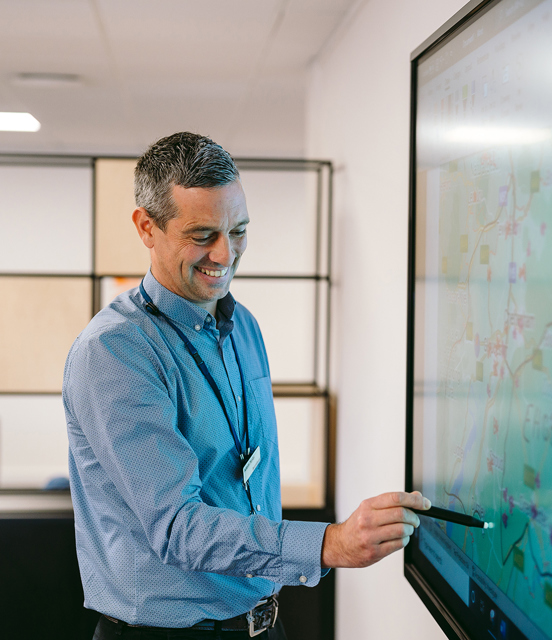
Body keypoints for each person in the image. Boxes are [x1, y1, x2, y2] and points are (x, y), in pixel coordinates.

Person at [63, 132, 430, 639]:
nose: (225, 253)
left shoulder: (244, 327)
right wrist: (330, 543)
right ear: (147, 227)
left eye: (238, 230)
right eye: (202, 235)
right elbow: (178, 527)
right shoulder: (114, 351)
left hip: (261, 622)